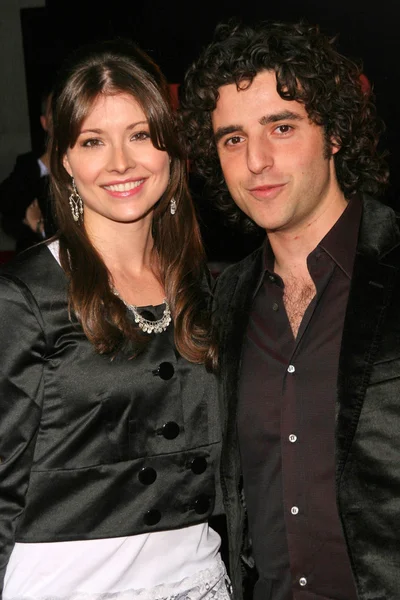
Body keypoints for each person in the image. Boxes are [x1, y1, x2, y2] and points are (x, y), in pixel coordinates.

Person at [0, 38, 231, 600]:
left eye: (140, 135)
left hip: (199, 579)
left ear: (171, 150)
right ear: (65, 162)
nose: (121, 163)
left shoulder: (214, 288)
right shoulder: (24, 295)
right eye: (92, 141)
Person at [179, 19, 398, 600]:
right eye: (232, 138)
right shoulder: (223, 302)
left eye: (281, 126)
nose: (256, 160)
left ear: (334, 134)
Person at [0, 86, 57, 253]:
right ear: (44, 122)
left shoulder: (85, 163)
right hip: (33, 259)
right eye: (54, 111)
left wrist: (40, 225)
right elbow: (8, 211)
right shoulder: (29, 165)